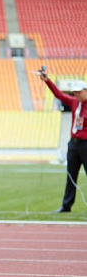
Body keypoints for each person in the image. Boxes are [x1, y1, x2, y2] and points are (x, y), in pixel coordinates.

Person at [39, 72, 87, 213]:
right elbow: (59, 95)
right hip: (73, 144)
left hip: (85, 144)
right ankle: (66, 206)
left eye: (79, 92)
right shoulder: (74, 102)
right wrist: (48, 81)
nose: (76, 95)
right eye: (75, 93)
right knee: (71, 176)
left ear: (85, 91)